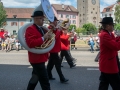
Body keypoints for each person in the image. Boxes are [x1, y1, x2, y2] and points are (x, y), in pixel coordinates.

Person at [25, 11, 51, 90]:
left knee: (35, 78)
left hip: (41, 57)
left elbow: (50, 38)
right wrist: (43, 38)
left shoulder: (42, 29)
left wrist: (52, 29)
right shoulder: (30, 29)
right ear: (36, 19)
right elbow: (31, 43)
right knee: (45, 81)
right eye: (42, 19)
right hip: (36, 58)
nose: (43, 20)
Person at [98, 17, 120, 90]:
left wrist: (119, 37)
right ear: (108, 26)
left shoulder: (109, 34)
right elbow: (116, 46)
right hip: (109, 64)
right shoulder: (105, 35)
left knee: (103, 85)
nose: (113, 27)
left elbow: (114, 41)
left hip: (108, 63)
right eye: (112, 25)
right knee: (117, 85)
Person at [47, 17, 69, 83]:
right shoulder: (49, 28)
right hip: (53, 49)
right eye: (55, 21)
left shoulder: (55, 28)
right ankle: (62, 78)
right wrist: (57, 30)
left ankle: (48, 75)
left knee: (50, 64)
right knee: (58, 64)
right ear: (52, 21)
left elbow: (61, 34)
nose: (57, 22)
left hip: (55, 48)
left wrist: (60, 29)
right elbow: (54, 38)